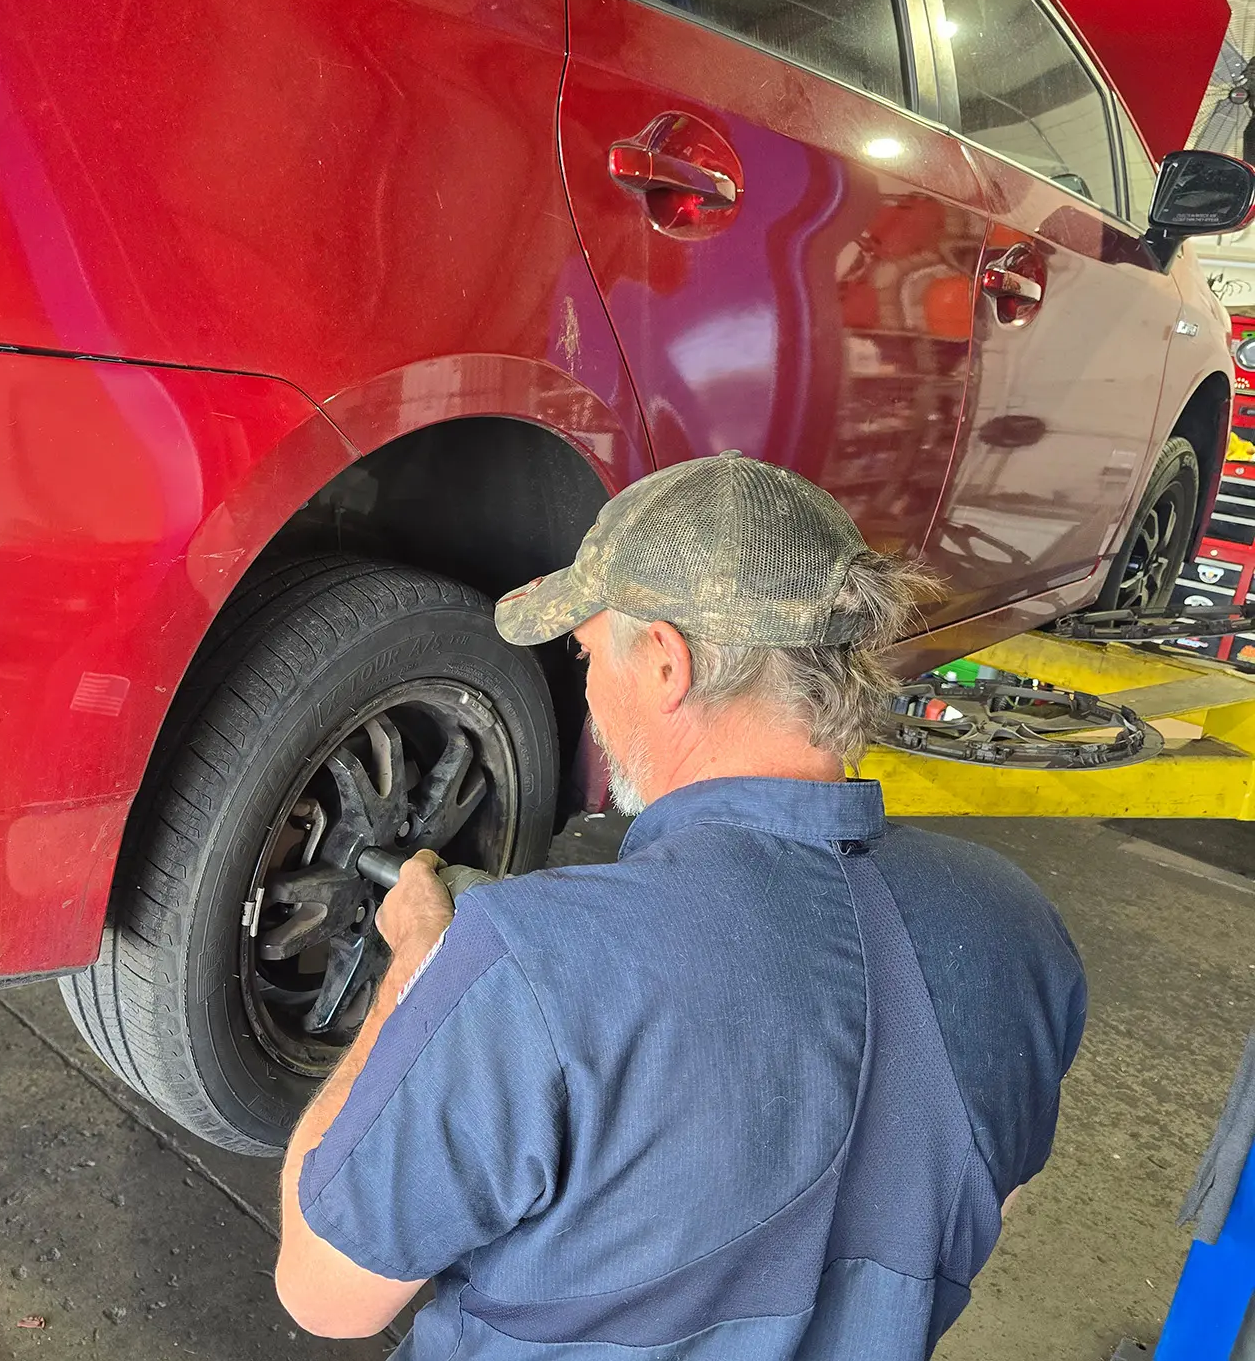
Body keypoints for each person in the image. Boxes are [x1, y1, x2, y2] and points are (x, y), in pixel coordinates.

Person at [274, 451, 1087, 1358]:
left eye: (586, 654)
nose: (586, 691)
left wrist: (414, 981)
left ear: (667, 662)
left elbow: (324, 1294)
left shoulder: (535, 962)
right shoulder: (1018, 928)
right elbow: (992, 1195)